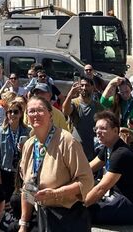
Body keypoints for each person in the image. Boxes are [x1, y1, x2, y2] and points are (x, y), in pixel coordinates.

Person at [18, 96, 94, 232]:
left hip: (67, 219)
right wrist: (23, 224)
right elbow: (28, 187)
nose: (35, 114)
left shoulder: (67, 141)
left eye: (40, 110)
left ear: (50, 115)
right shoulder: (29, 145)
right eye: (31, 111)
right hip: (43, 216)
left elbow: (86, 181)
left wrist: (56, 193)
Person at [85, 110, 133, 225]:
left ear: (115, 131)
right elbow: (87, 170)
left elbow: (101, 188)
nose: (98, 132)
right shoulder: (108, 147)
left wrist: (81, 205)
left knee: (85, 212)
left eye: (103, 128)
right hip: (115, 196)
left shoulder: (121, 153)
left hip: (132, 205)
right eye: (96, 129)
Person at [0, 99, 30, 202]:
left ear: (21, 114)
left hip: (22, 171)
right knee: (6, 201)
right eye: (10, 112)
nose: (12, 114)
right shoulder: (0, 131)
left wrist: (24, 149)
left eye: (16, 112)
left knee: (21, 200)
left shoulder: (28, 131)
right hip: (5, 171)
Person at [62, 77, 101, 160]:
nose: (84, 88)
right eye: (82, 85)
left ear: (92, 87)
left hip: (92, 149)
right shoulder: (74, 103)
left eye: (87, 85)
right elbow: (65, 111)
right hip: (75, 148)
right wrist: (70, 95)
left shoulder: (98, 106)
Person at [100, 76, 133, 144]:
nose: (125, 95)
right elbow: (103, 101)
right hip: (116, 139)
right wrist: (111, 84)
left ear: (131, 88)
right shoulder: (115, 101)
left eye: (127, 91)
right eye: (122, 92)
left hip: (131, 141)